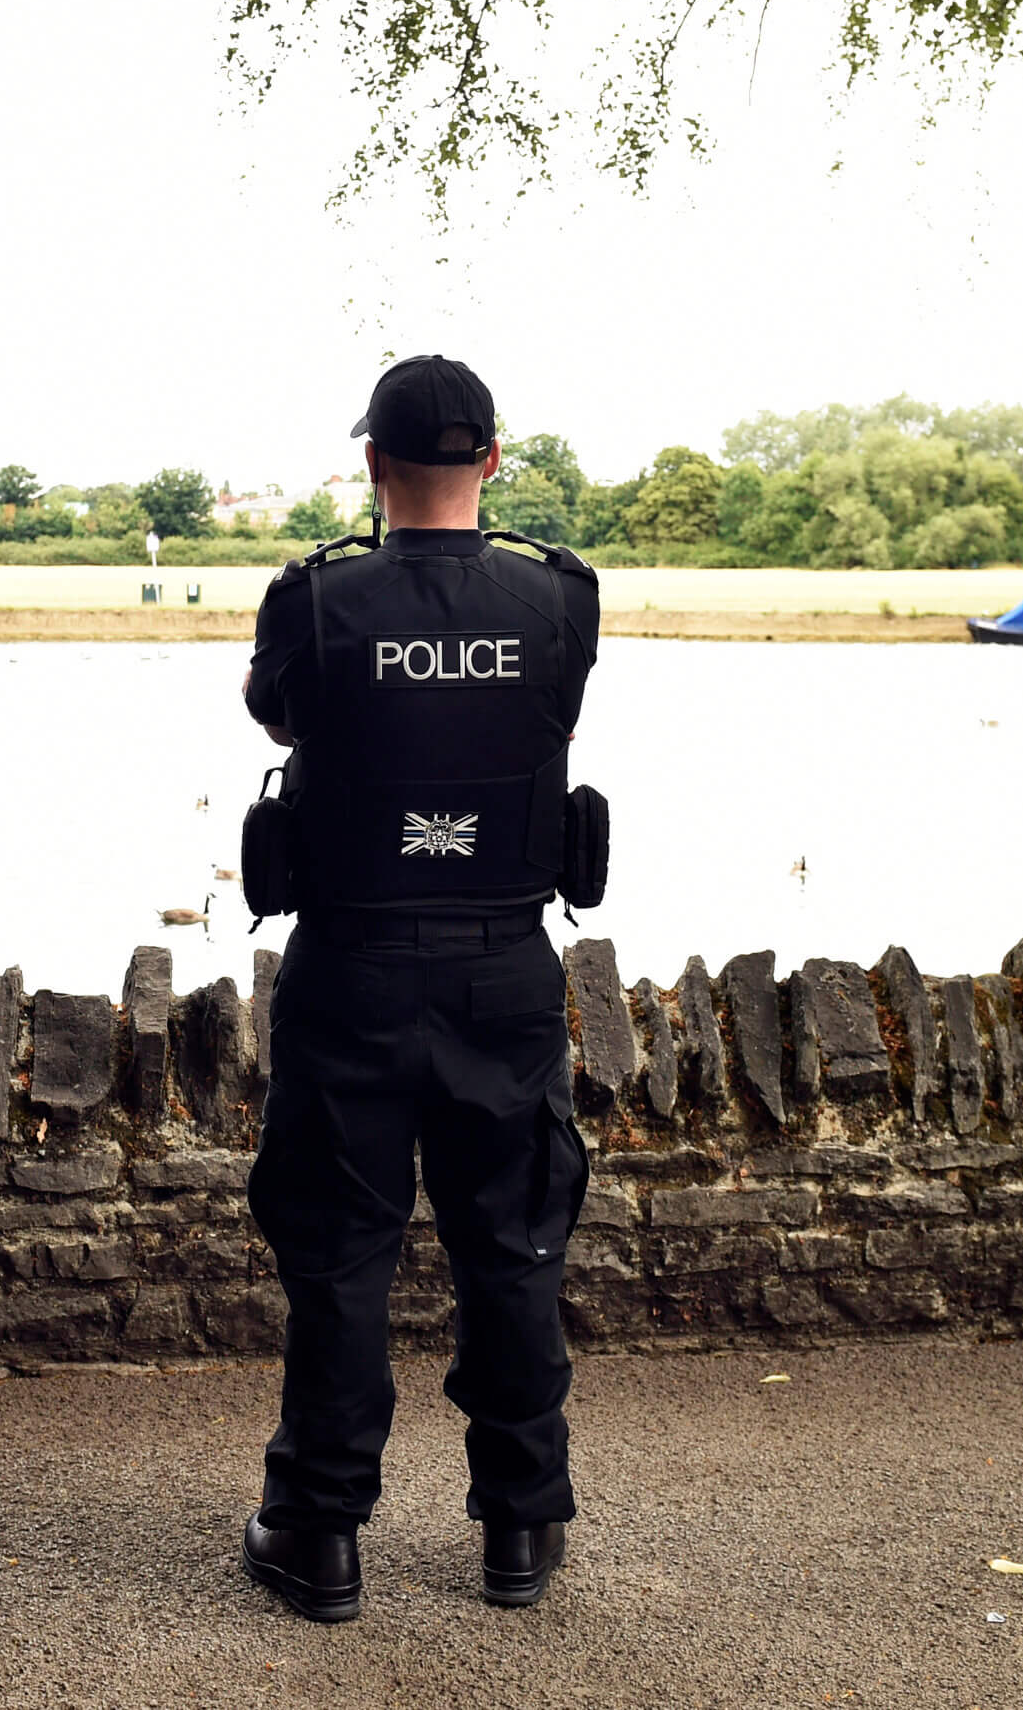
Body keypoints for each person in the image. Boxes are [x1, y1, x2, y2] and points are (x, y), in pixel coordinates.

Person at [237, 355, 600, 1620]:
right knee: (514, 1249)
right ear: (492, 461)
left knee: (340, 1261)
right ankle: (520, 1529)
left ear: (373, 466)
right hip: (503, 962)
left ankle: (320, 1534)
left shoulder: (316, 600)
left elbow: (276, 717)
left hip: (353, 965)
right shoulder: (560, 599)